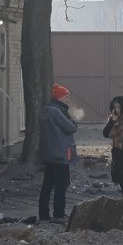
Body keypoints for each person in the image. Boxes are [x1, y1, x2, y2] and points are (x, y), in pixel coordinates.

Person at [38, 84, 78, 221]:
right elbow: (71, 127)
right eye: (66, 96)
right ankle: (59, 214)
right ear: (59, 97)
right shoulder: (58, 112)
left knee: (47, 185)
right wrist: (72, 120)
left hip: (49, 154)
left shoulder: (45, 110)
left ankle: (43, 214)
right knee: (62, 184)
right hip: (60, 154)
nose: (68, 99)